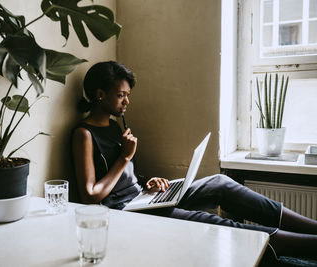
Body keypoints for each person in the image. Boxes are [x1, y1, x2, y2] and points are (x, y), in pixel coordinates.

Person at [71, 61, 317, 260]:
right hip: (124, 213)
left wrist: (148, 182)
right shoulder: (84, 134)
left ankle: (312, 227)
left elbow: (123, 178)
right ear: (100, 95)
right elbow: (90, 195)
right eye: (121, 95)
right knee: (215, 224)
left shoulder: (115, 127)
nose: (127, 101)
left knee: (220, 182)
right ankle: (306, 246)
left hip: (142, 199)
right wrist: (125, 157)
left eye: (128, 95)